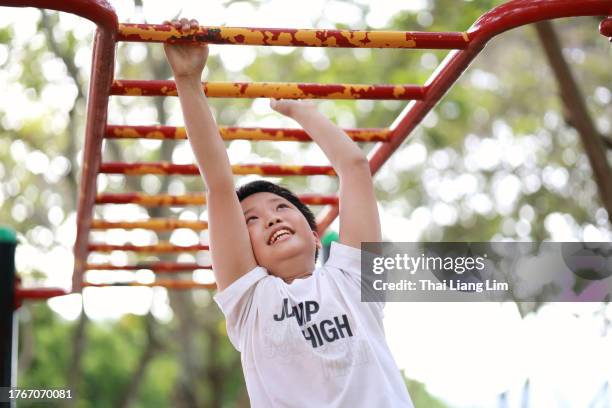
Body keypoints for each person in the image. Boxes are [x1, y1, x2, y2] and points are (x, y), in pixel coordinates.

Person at [164, 17, 413, 408]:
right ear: (245, 254)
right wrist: (188, 81)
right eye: (252, 220)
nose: (272, 218)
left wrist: (303, 112)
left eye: (282, 207)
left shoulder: (352, 281)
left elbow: (354, 168)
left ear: (315, 235)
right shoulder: (252, 302)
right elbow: (218, 184)